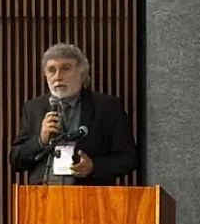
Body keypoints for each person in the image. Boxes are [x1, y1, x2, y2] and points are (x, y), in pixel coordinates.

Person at [9, 43, 137, 185]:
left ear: (82, 74)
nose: (58, 76)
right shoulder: (34, 108)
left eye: (66, 68)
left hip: (89, 195)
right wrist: (41, 141)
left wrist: (93, 166)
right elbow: (16, 160)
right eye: (52, 70)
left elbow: (128, 159)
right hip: (43, 195)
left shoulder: (107, 107)